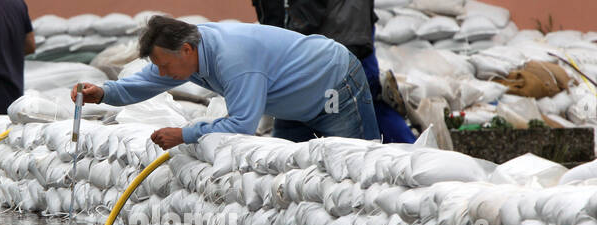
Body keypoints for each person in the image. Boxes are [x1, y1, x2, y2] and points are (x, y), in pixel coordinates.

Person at [71, 16, 380, 149]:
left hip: (334, 84)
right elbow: (146, 81)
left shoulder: (234, 60)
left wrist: (186, 133)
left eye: (164, 66)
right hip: (293, 107)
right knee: (287, 175)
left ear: (187, 50)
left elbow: (242, 125)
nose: (161, 73)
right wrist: (104, 93)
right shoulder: (184, 55)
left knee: (357, 167)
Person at [252, 0, 416, 143]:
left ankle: (407, 152)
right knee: (367, 97)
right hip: (350, 28)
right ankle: (407, 150)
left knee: (362, 98)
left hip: (336, 34)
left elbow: (303, 13)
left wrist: (288, 47)